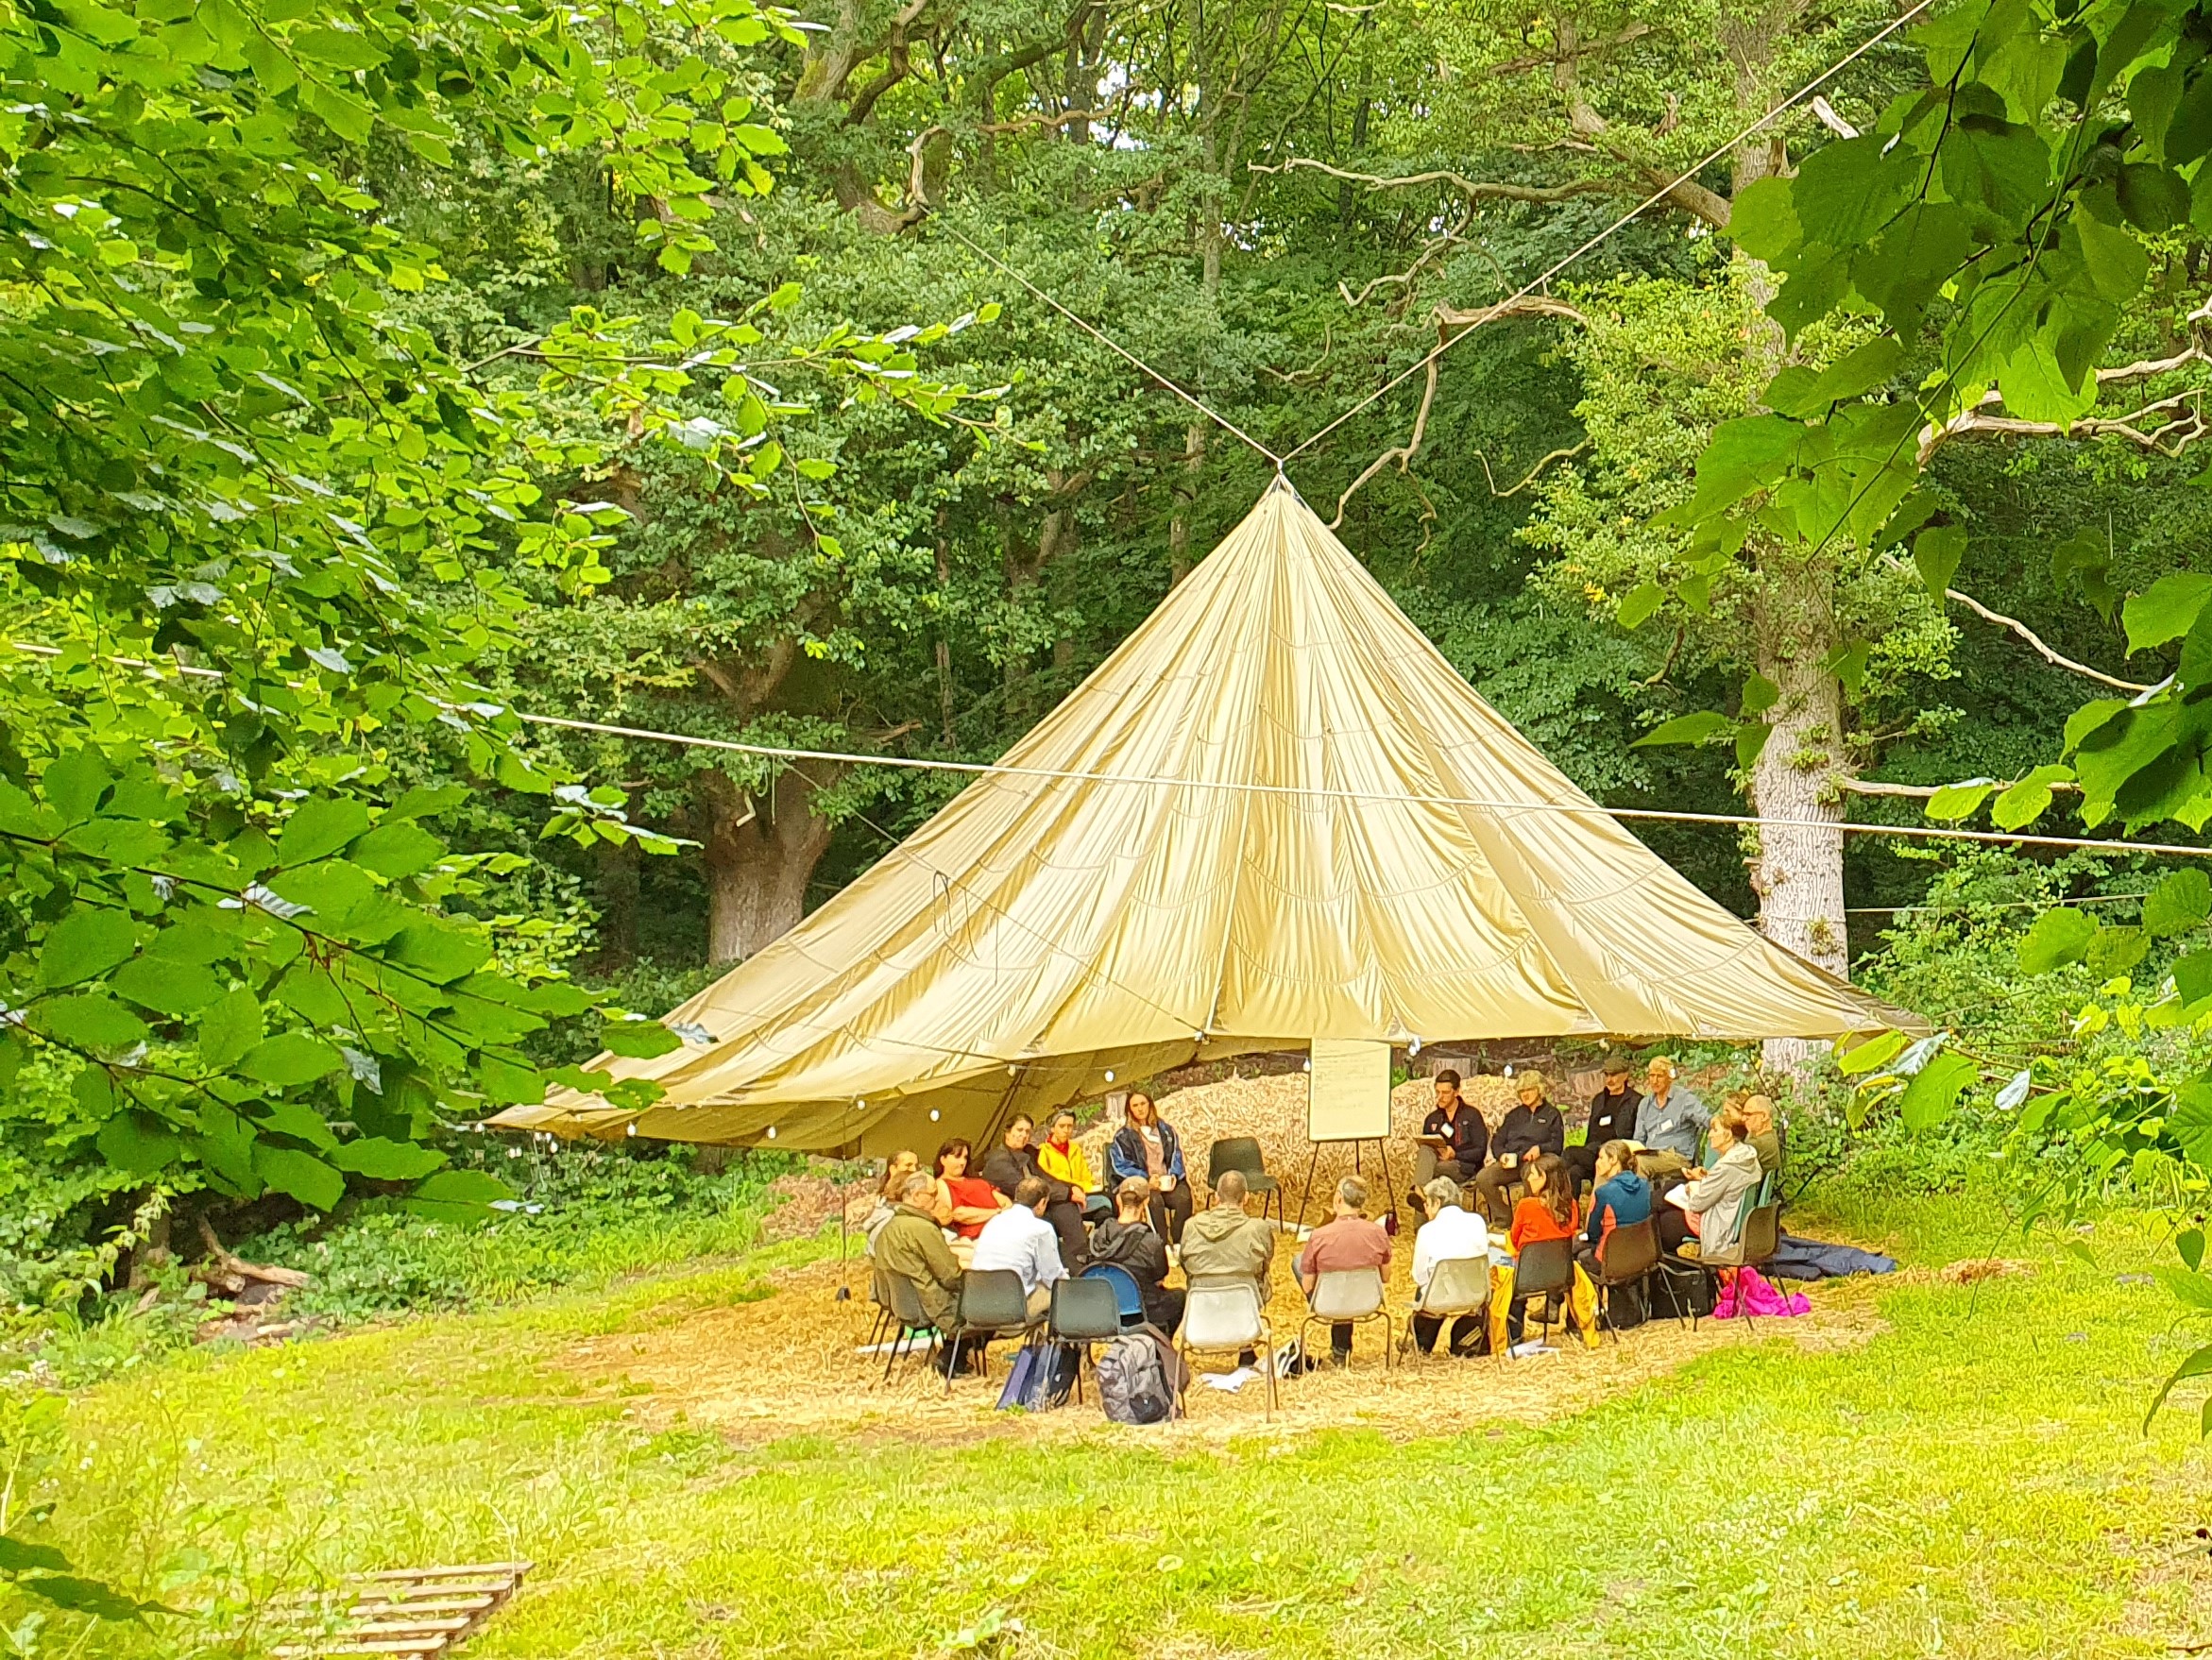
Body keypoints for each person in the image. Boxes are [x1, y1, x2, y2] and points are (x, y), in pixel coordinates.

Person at [1181, 1169, 1278, 1367]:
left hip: (1201, 1305)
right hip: (1244, 1302)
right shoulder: (1257, 1229)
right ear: (1247, 1197)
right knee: (1257, 1281)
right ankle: (1246, 1348)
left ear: (1216, 1197)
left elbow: (1184, 1264)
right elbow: (1265, 1264)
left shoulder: (1191, 1226)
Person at [871, 1172, 966, 1368]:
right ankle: (951, 1357)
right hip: (928, 1305)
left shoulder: (888, 1228)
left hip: (901, 1305)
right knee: (984, 1306)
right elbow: (951, 1276)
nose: (937, 1198)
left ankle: (953, 1356)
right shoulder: (922, 1229)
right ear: (916, 1197)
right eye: (932, 1194)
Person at [1296, 1176, 1392, 1365]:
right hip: (1368, 1301)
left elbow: (1308, 1286)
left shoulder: (1318, 1236)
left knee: (1297, 1262)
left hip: (1328, 1302)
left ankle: (1340, 1349)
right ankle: (1341, 1348)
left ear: (1338, 1198)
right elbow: (1386, 1276)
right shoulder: (1379, 1233)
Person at [983, 1113, 1087, 1271]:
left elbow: (1045, 1178)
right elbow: (1026, 1190)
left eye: (1027, 1131)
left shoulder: (1027, 1153)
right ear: (1007, 1132)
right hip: (1019, 1209)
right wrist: (1066, 1193)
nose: (1024, 1135)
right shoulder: (998, 1160)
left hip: (1039, 1203)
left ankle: (1081, 1258)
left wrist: (1070, 1187)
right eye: (1019, 1130)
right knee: (1059, 1209)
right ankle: (1074, 1268)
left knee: (1067, 1206)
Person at [1503, 1153, 1583, 1346]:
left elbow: (1514, 1238)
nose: (1528, 1179)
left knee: (1505, 1274)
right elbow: (1570, 1233)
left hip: (1527, 1275)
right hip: (1561, 1274)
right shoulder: (1572, 1205)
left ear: (1546, 1178)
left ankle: (1514, 1336)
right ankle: (1570, 1320)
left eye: (1533, 1175)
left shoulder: (1525, 1206)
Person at [1089, 1177, 1185, 1331]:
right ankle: (1162, 1342)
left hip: (1105, 1308)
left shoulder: (1098, 1236)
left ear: (1118, 1200)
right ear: (1146, 1202)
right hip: (1143, 1308)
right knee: (1180, 1296)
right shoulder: (1152, 1242)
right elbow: (1160, 1276)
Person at [1671, 1110, 1764, 1267]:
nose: (1709, 1135)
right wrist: (1705, 1180)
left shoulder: (1727, 1167)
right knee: (1663, 1201)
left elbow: (1696, 1204)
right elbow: (1725, 1187)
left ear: (1728, 1135)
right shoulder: (1747, 1157)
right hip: (1731, 1220)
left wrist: (1694, 1187)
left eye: (1715, 1130)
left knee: (1661, 1221)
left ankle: (1672, 1277)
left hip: (1720, 1227)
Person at [1472, 1071, 1566, 1226]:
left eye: (1529, 1090)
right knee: (1483, 1177)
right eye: (1522, 1091)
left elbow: (1557, 1145)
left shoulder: (1552, 1114)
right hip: (1512, 1161)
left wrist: (1540, 1149)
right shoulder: (1514, 1115)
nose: (1525, 1094)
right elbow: (1497, 1140)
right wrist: (1501, 1155)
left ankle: (1528, 1221)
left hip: (1537, 1161)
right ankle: (1504, 1219)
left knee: (1531, 1175)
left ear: (1539, 1090)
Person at [1409, 1177, 1489, 1357]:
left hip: (1439, 1299)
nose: (1426, 1211)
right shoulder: (1477, 1221)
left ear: (1437, 1202)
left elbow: (1419, 1275)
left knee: (1424, 1289)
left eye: (1427, 1204)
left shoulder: (1427, 1231)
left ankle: (1422, 1344)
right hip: (1475, 1297)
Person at [971, 1177, 1068, 1319]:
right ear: (1042, 1203)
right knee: (1061, 1291)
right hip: (1012, 1310)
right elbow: (1053, 1278)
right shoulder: (1042, 1229)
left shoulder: (994, 1221)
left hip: (978, 1307)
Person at [1108, 1091, 1192, 1247]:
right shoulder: (1123, 1136)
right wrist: (1146, 1179)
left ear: (1150, 1105)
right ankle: (1162, 1244)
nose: (1140, 1108)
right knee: (1154, 1201)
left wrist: (1173, 1175)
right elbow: (1121, 1166)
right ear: (1129, 1110)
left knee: (1184, 1198)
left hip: (1166, 1181)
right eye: (1135, 1105)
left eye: (1143, 1104)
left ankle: (1179, 1241)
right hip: (1144, 1183)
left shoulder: (1166, 1130)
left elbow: (1176, 1154)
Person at [1577, 1140, 1653, 1283]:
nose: (1597, 1163)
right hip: (1641, 1255)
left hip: (1611, 1261)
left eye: (1601, 1158)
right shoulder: (1644, 1185)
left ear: (1613, 1160)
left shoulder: (1603, 1193)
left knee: (1577, 1253)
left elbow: (1592, 1234)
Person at [1563, 1054, 1640, 1192]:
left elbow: (1635, 1133)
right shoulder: (1599, 1099)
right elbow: (1591, 1130)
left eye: (1614, 1075)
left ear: (1625, 1075)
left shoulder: (1635, 1101)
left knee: (1569, 1152)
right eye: (1607, 1075)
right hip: (1593, 1152)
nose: (1609, 1080)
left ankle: (1555, 1197)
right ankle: (1571, 1211)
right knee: (1574, 1171)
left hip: (1615, 1152)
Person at [1411, 1069, 1489, 1204]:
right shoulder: (1432, 1118)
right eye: (1437, 1092)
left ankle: (1419, 1193)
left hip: (1464, 1166)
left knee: (1429, 1173)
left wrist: (1455, 1154)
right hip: (1438, 1162)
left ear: (1457, 1091)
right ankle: (1421, 1194)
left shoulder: (1472, 1115)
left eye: (1445, 1093)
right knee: (1425, 1150)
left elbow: (1480, 1151)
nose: (1440, 1096)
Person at [1632, 1057, 1710, 1178]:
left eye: (1659, 1076)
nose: (1654, 1081)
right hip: (1650, 1154)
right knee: (1611, 1159)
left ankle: (1641, 1197)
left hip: (1677, 1157)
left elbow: (1707, 1119)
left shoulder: (1684, 1099)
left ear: (1669, 1078)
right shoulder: (1645, 1104)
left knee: (1641, 1163)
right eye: (1652, 1076)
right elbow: (1639, 1139)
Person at [931, 1138, 1009, 1241]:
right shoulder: (941, 1184)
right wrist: (996, 1213)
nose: (962, 1162)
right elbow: (958, 1214)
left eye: (965, 1157)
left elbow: (1006, 1203)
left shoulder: (979, 1182)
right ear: (943, 1160)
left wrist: (1001, 1213)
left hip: (1003, 1228)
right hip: (978, 1237)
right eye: (957, 1156)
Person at [861, 1149, 920, 1251]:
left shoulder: (920, 1197)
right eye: (908, 1165)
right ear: (893, 1169)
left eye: (917, 1166)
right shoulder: (875, 1202)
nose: (914, 1170)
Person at [1742, 1093, 1785, 1180]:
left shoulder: (1757, 1144)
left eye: (1748, 1114)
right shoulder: (1771, 1135)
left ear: (1764, 1116)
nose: (1743, 1119)